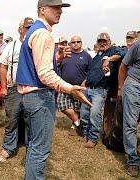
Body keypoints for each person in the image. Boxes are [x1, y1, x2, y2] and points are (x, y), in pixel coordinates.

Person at [15, 0, 91, 179]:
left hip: (31, 97)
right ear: (43, 10)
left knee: (34, 146)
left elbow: (37, 66)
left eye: (61, 8)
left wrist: (56, 58)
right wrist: (70, 88)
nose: (60, 12)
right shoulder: (43, 34)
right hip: (39, 97)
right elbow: (44, 74)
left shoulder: (34, 31)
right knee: (40, 150)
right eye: (56, 8)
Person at [0, 17, 34, 162]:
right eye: (26, 27)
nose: (29, 30)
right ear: (20, 29)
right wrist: (4, 87)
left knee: (31, 119)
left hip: (32, 89)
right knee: (11, 119)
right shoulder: (11, 46)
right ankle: (8, 148)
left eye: (31, 27)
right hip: (14, 89)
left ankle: (31, 148)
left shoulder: (36, 45)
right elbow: (3, 65)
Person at [80, 32, 126, 148]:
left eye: (104, 41)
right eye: (100, 41)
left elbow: (124, 53)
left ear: (109, 42)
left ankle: (93, 138)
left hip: (100, 91)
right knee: (84, 114)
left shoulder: (113, 50)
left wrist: (109, 59)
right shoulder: (97, 56)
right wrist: (85, 80)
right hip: (88, 88)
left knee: (94, 114)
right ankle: (86, 133)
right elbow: (92, 71)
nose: (102, 43)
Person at [118, 38, 140, 177]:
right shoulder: (139, 45)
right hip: (135, 84)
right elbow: (123, 66)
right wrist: (121, 89)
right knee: (130, 124)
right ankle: (133, 161)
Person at [57, 35, 92, 136]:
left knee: (77, 108)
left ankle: (75, 127)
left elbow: (91, 72)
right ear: (70, 44)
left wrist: (85, 81)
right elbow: (58, 67)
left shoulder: (87, 56)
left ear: (81, 43)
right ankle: (78, 123)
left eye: (78, 41)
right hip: (64, 86)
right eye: (73, 42)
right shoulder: (65, 54)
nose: (76, 43)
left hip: (79, 88)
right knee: (62, 105)